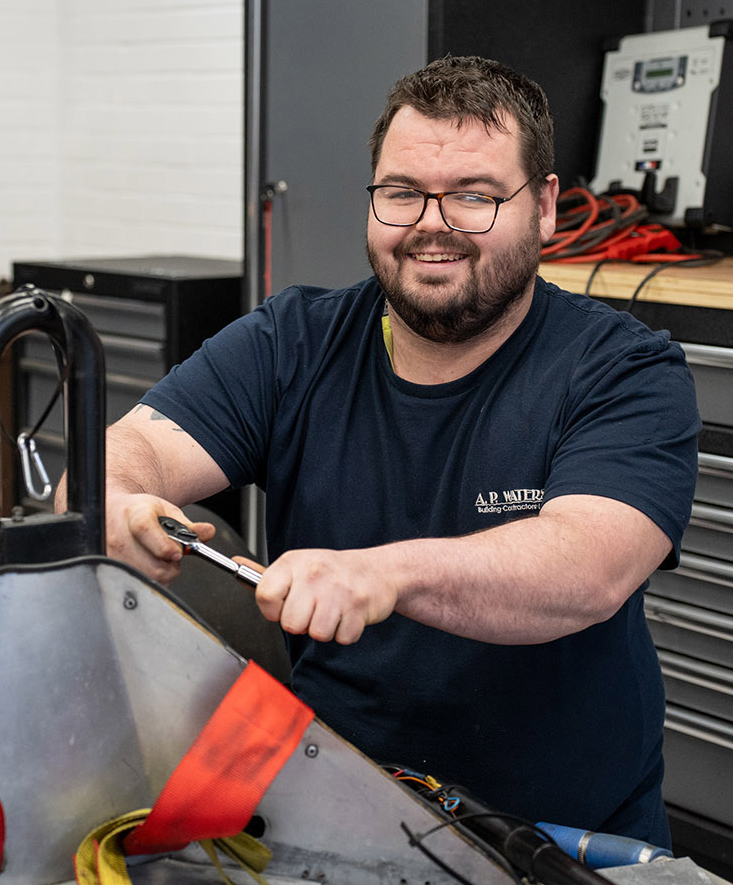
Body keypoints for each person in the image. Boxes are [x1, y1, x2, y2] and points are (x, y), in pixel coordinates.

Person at [60, 55, 700, 846]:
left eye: (472, 194)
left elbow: (590, 567)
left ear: (541, 209)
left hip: (560, 839)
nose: (431, 223)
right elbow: (126, 455)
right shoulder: (291, 342)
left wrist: (381, 573)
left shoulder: (623, 369)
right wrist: (115, 501)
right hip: (335, 818)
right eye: (402, 193)